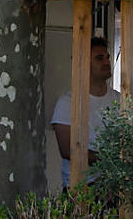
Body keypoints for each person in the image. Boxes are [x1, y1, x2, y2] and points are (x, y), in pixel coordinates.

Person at [51, 37, 120, 187]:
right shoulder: (67, 103)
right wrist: (110, 158)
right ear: (82, 64)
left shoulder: (120, 100)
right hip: (80, 189)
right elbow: (68, 151)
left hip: (114, 187)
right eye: (99, 58)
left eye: (107, 57)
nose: (106, 62)